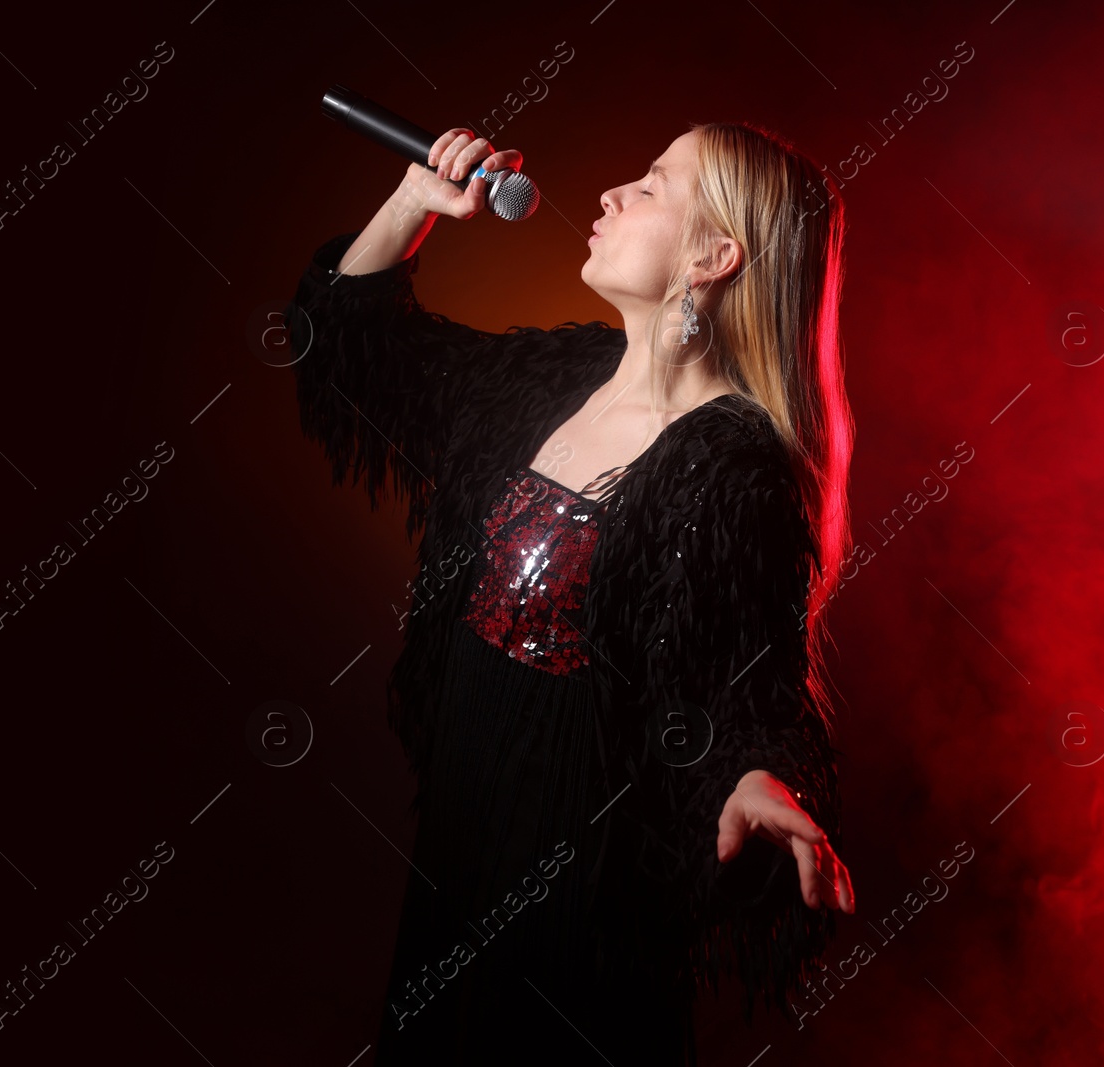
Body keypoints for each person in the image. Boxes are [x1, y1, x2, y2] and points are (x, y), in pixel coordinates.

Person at [285, 121, 857, 1066]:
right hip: (461, 839)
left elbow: (747, 683)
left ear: (716, 255)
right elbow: (349, 346)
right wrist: (412, 204)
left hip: (574, 885)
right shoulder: (547, 377)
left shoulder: (736, 465)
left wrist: (753, 776)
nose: (611, 194)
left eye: (653, 185)